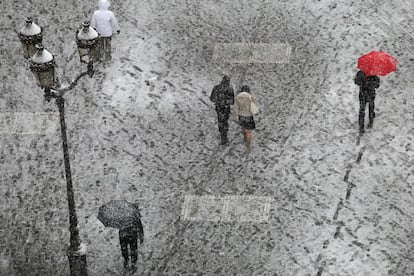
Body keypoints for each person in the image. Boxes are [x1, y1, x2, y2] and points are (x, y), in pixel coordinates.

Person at [210, 75, 235, 145]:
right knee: (225, 122)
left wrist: (219, 101)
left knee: (220, 121)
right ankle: (224, 136)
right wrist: (226, 102)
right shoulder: (230, 89)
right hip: (226, 109)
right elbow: (232, 101)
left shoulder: (216, 88)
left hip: (219, 108)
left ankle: (222, 136)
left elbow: (212, 98)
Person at [233, 85, 258, 152]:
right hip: (249, 116)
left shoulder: (237, 97)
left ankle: (244, 136)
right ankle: (248, 145)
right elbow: (254, 106)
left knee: (243, 127)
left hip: (241, 116)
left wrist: (234, 116)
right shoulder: (250, 97)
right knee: (249, 131)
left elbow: (235, 108)